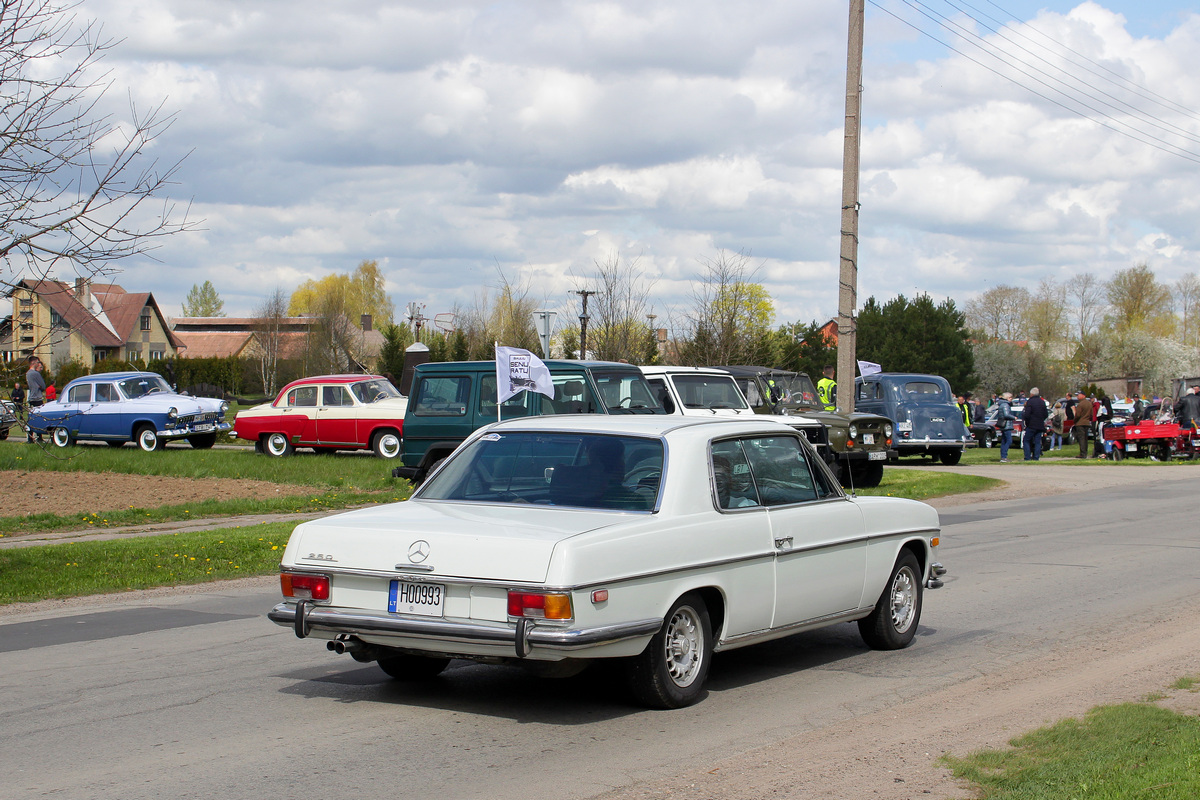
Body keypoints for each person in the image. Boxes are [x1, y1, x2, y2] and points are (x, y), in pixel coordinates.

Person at [1021, 387, 1048, 461]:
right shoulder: (1042, 402)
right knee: (1037, 441)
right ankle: (1036, 457)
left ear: (1031, 394)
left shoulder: (1030, 402)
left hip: (1032, 424)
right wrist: (1041, 420)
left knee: (1026, 440)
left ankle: (1027, 457)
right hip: (1040, 424)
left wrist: (1027, 423)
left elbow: (1027, 415)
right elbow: (1046, 414)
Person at [25, 355, 46, 443]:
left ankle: (30, 437)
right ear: (33, 363)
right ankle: (39, 437)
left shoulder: (28, 373)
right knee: (39, 417)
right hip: (37, 398)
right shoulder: (35, 374)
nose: (38, 364)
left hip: (31, 398)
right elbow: (43, 386)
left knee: (31, 418)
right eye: (37, 362)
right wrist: (40, 387)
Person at [996, 392, 1016, 462]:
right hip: (1006, 425)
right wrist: (1014, 417)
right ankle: (1004, 456)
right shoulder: (1005, 405)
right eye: (1010, 397)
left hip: (1004, 425)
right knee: (1009, 440)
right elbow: (1006, 415)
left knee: (1004, 440)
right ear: (1007, 398)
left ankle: (1003, 456)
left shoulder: (1001, 404)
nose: (1011, 399)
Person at [1072, 391, 1094, 459]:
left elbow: (1077, 415)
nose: (1077, 397)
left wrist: (1074, 421)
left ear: (1083, 395)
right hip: (1087, 423)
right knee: (1085, 438)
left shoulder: (1080, 404)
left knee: (1081, 438)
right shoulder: (1089, 404)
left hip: (1080, 423)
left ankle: (1082, 453)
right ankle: (1085, 452)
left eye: (1078, 395)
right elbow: (1091, 414)